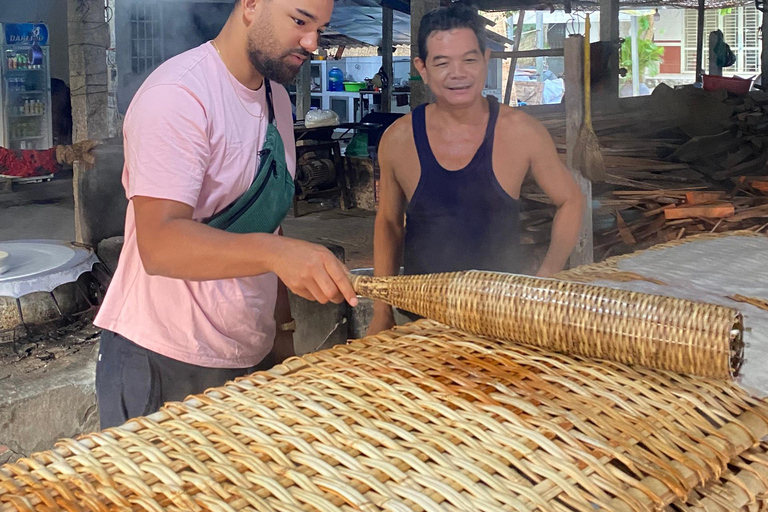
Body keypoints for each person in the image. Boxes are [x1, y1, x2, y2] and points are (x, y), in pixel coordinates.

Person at [94, 0, 357, 429]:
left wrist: (282, 333)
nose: (313, 43)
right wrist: (278, 253)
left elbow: (268, 219)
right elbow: (159, 246)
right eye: (300, 21)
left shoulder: (277, 99)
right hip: (163, 359)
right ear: (251, 5)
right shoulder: (178, 96)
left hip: (247, 352)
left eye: (321, 29)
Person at [368, 3, 585, 334]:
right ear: (422, 68)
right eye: (442, 62)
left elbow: (570, 201)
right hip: (421, 325)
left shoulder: (521, 132)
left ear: (486, 60)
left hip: (503, 322)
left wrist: (547, 278)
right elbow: (388, 223)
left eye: (469, 59)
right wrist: (381, 311)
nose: (458, 73)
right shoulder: (398, 140)